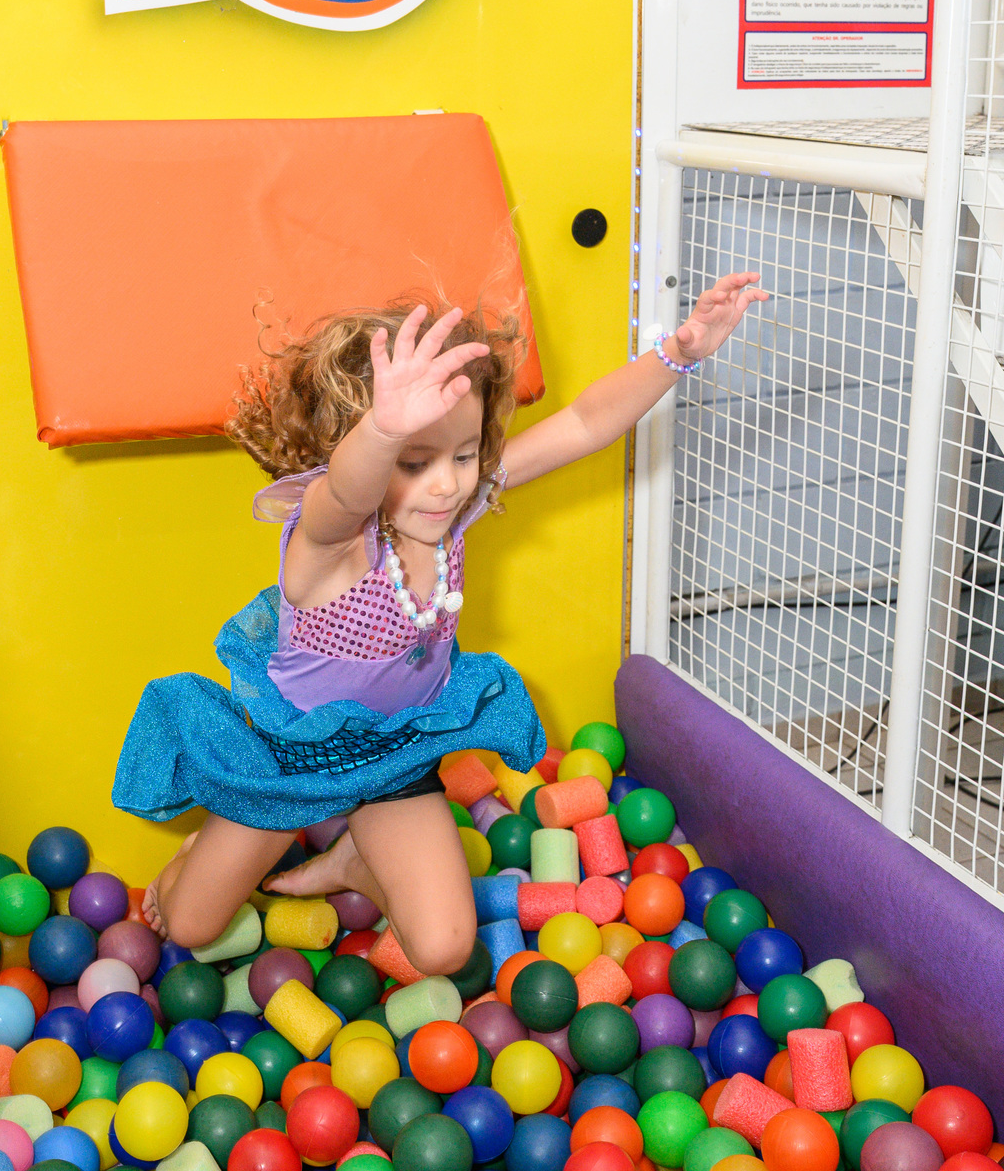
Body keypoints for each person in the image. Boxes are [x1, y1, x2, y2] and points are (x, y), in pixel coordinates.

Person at [114, 275, 766, 973]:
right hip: (290, 762)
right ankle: (210, 847)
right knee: (192, 925)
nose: (449, 484)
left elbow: (583, 424)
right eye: (414, 462)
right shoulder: (328, 546)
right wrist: (384, 430)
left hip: (397, 751)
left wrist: (676, 353)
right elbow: (345, 493)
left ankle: (355, 858)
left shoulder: (451, 511)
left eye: (462, 455)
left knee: (447, 947)